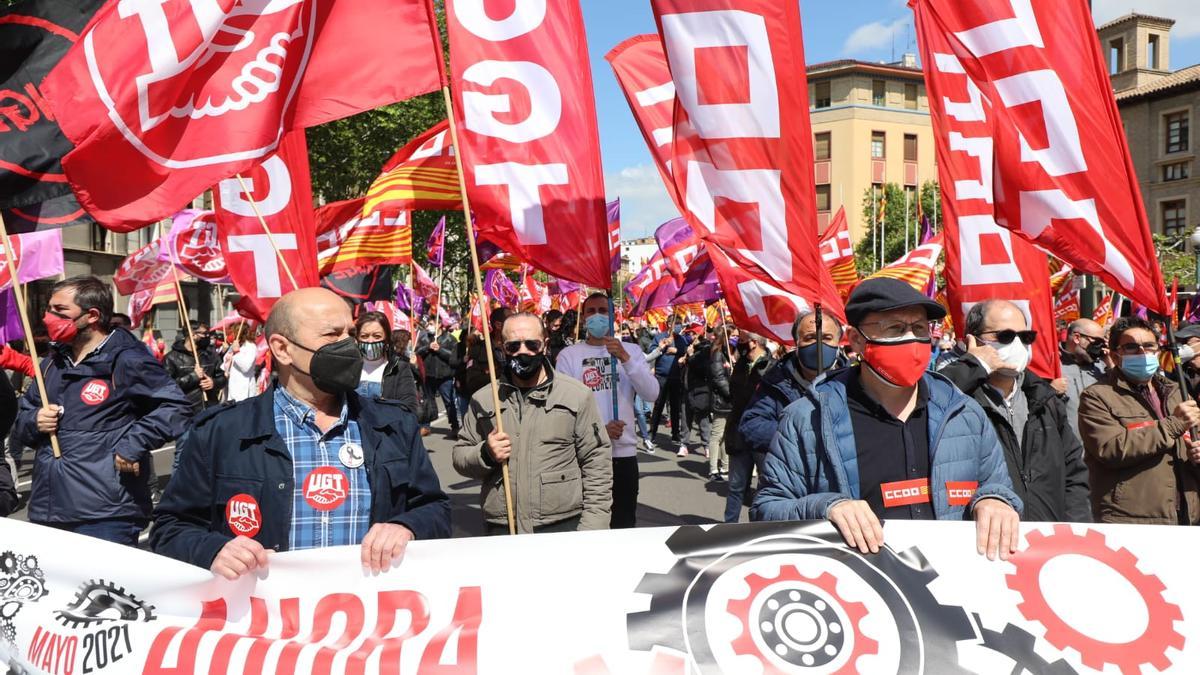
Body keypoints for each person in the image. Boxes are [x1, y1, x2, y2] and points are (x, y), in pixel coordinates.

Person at [152, 287, 450, 578]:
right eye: (332, 335)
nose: (349, 345)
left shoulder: (392, 425)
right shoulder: (221, 432)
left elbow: (435, 510)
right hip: (266, 622)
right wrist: (212, 550)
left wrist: (407, 527)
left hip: (371, 617)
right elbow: (170, 528)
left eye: (350, 333)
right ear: (282, 349)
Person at [752, 278, 1022, 560]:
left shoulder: (965, 413)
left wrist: (994, 499)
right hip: (857, 590)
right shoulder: (808, 419)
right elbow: (767, 509)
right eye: (896, 328)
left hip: (952, 585)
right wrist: (827, 507)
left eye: (918, 328)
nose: (911, 339)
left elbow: (996, 483)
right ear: (856, 340)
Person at [14, 276, 192, 545]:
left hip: (106, 515)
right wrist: (34, 420)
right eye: (49, 309)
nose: (49, 317)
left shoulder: (127, 359)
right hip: (47, 509)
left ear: (92, 315)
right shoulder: (51, 363)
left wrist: (133, 443)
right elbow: (22, 420)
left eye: (59, 311)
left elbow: (175, 407)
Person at [453, 312, 612, 534]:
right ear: (501, 347)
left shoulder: (576, 396)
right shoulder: (484, 399)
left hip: (562, 527)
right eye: (513, 346)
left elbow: (597, 463)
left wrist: (593, 528)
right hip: (503, 527)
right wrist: (485, 454)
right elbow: (460, 456)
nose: (523, 352)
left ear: (545, 345)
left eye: (532, 344)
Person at [940, 300, 1091, 522]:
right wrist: (973, 366)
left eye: (1025, 337)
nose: (1018, 344)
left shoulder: (1045, 400)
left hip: (1045, 539)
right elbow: (929, 401)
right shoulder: (958, 400)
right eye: (1006, 336)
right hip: (982, 543)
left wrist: (1075, 529)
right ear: (972, 340)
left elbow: (1074, 474)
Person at [1078, 317, 1200, 524]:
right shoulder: (1097, 396)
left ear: (1158, 351)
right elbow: (1110, 449)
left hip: (1187, 516)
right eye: (1132, 347)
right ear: (1116, 356)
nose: (1143, 353)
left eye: (1149, 346)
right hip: (1132, 519)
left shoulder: (1178, 392)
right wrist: (1173, 425)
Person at [556, 293, 658, 528]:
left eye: (603, 310)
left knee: (622, 527)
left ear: (613, 315)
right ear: (583, 319)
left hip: (622, 457)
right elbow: (563, 410)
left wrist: (624, 358)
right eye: (590, 311)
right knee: (586, 528)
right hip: (584, 457)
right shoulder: (569, 356)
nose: (597, 316)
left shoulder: (630, 349)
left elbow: (651, 393)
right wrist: (600, 431)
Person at [739, 310, 843, 456]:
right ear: (797, 344)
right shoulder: (776, 381)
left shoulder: (854, 381)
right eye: (810, 337)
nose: (819, 344)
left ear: (838, 343)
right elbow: (751, 426)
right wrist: (804, 436)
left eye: (827, 338)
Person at [724, 332, 774, 522]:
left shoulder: (772, 366)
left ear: (754, 343)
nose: (739, 344)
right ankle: (729, 527)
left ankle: (757, 526)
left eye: (743, 341)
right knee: (736, 486)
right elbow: (734, 393)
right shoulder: (740, 365)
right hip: (738, 432)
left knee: (764, 487)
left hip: (760, 436)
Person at [353, 312, 418, 414]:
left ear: (386, 339)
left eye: (377, 336)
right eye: (364, 336)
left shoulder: (399, 367)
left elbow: (409, 407)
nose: (370, 341)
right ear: (357, 338)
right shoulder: (348, 366)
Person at [164, 321, 227, 414]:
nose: (207, 336)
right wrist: (193, 376)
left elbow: (223, 378)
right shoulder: (171, 358)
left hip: (210, 409)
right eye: (204, 333)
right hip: (185, 411)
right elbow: (167, 386)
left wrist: (214, 382)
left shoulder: (211, 354)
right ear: (192, 335)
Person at [1059, 318, 1108, 437]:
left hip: (1099, 448)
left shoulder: (1102, 367)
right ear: (1077, 338)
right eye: (1097, 341)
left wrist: (1111, 366)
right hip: (1066, 449)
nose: (1100, 347)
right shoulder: (1053, 365)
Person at [649, 320, 689, 454]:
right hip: (661, 376)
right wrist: (663, 346)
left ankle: (675, 434)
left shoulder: (681, 339)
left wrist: (676, 350)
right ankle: (652, 433)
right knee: (658, 405)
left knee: (675, 407)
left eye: (679, 324)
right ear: (668, 324)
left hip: (676, 377)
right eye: (675, 324)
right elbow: (651, 351)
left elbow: (686, 353)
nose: (677, 326)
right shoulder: (660, 337)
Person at [417, 321, 460, 437]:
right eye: (428, 324)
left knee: (449, 401)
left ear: (440, 324)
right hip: (428, 375)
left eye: (432, 323)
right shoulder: (424, 338)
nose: (429, 326)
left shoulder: (449, 339)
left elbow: (454, 356)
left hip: (444, 375)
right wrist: (427, 347)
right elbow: (417, 352)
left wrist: (439, 349)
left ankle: (455, 426)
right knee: (427, 401)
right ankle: (425, 426)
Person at [704, 326, 736, 480]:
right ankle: (713, 470)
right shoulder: (717, 354)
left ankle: (725, 467)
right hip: (722, 401)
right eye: (731, 337)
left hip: (728, 402)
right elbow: (718, 378)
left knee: (725, 435)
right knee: (717, 435)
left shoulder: (726, 353)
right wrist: (731, 393)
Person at [224, 326, 260, 402]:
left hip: (243, 389)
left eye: (233, 332)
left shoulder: (250, 346)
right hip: (232, 385)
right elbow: (225, 362)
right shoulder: (235, 345)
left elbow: (246, 367)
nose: (232, 334)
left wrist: (237, 352)